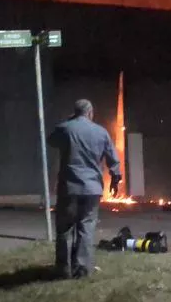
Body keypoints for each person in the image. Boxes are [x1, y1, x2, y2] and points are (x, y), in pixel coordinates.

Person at [47, 98, 122, 279]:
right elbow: (113, 159)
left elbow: (51, 140)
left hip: (69, 187)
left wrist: (68, 121)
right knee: (86, 228)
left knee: (65, 229)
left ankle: (63, 270)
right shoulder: (101, 132)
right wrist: (114, 179)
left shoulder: (65, 128)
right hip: (91, 188)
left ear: (75, 112)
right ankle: (81, 269)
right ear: (90, 113)